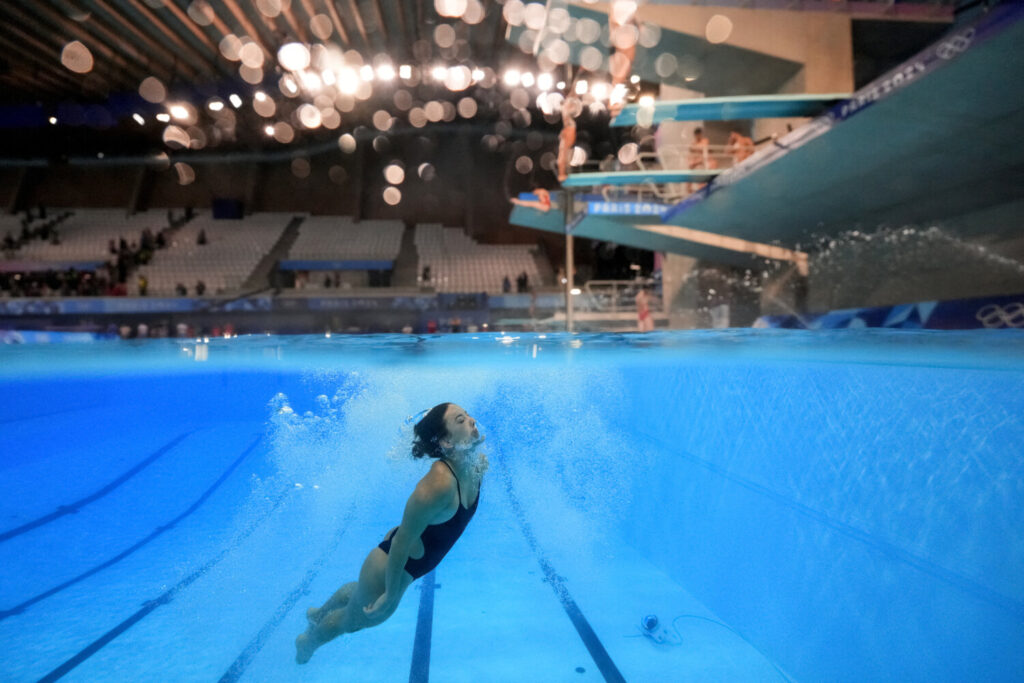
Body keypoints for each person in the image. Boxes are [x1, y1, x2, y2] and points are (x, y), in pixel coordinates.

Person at [296, 403, 488, 664]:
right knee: (351, 622)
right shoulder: (438, 484)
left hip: (405, 558)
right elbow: (402, 541)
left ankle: (318, 613)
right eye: (461, 420)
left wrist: (474, 448)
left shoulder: (476, 464)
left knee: (357, 597)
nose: (472, 421)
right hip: (391, 566)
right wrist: (389, 594)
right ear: (446, 442)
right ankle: (308, 641)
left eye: (468, 416)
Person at [557, 97, 582, 183]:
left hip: (567, 147)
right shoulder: (565, 122)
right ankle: (562, 174)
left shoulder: (570, 123)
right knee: (562, 158)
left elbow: (570, 142)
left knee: (564, 157)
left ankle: (564, 174)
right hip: (565, 146)